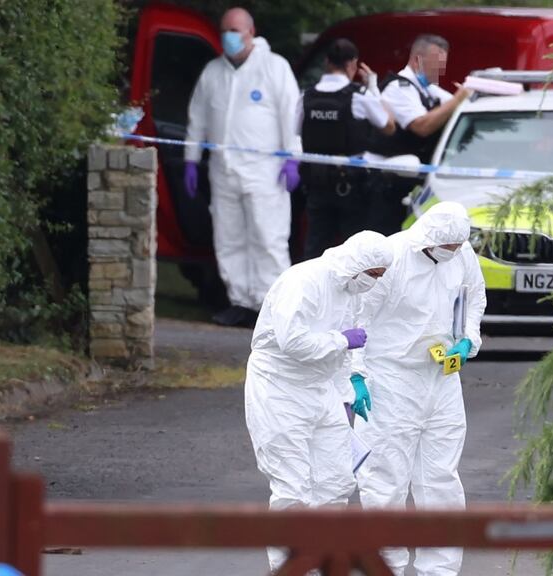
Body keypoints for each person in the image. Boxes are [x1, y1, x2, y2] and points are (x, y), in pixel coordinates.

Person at [351, 202, 487, 576]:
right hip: (390, 378)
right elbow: (357, 320)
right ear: (427, 239)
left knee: (441, 478)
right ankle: (385, 567)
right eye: (450, 247)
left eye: (460, 246)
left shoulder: (460, 252)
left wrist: (467, 339)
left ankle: (440, 570)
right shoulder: (391, 259)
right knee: (385, 480)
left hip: (441, 378)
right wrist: (356, 374)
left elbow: (473, 296)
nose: (455, 253)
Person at [245, 230, 392, 572]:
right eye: (374, 275)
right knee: (291, 487)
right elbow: (293, 343)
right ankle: (290, 569)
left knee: (337, 478)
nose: (374, 283)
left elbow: (341, 354)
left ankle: (322, 561)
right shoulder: (303, 281)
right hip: (280, 388)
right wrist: (341, 340)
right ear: (357, 265)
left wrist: (347, 391)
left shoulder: (349, 290)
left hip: (321, 387)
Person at [184, 7, 302, 327]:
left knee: (268, 238)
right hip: (223, 171)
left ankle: (272, 307)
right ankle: (240, 301)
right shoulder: (213, 72)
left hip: (265, 171)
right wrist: (191, 161)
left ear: (251, 31)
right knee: (229, 237)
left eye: (235, 30)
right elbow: (198, 118)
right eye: (225, 30)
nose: (229, 37)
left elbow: (291, 114)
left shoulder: (274, 68)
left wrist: (292, 157)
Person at [296, 38, 396, 260]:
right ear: (352, 64)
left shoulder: (306, 96)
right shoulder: (358, 96)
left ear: (326, 63)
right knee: (355, 253)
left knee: (314, 251)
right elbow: (389, 127)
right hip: (351, 187)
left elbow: (295, 132)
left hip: (316, 185)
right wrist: (373, 88)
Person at [366, 35, 474, 235]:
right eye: (436, 64)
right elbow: (422, 126)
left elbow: (459, 106)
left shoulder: (428, 89)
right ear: (417, 60)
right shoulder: (399, 87)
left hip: (408, 185)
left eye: (443, 64)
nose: (441, 70)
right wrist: (459, 98)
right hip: (385, 185)